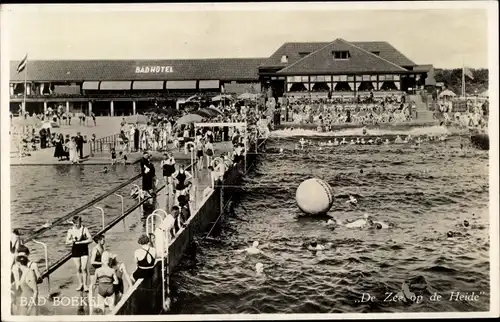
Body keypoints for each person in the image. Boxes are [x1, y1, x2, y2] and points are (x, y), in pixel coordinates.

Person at [65, 216, 92, 291]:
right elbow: (66, 242)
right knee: (78, 268)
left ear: (80, 222)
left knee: (84, 268)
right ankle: (80, 284)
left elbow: (90, 239)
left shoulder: (84, 229)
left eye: (78, 223)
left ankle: (85, 285)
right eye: (75, 223)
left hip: (84, 249)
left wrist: (81, 241)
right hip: (75, 249)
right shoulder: (70, 230)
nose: (76, 225)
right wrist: (73, 240)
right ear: (73, 223)